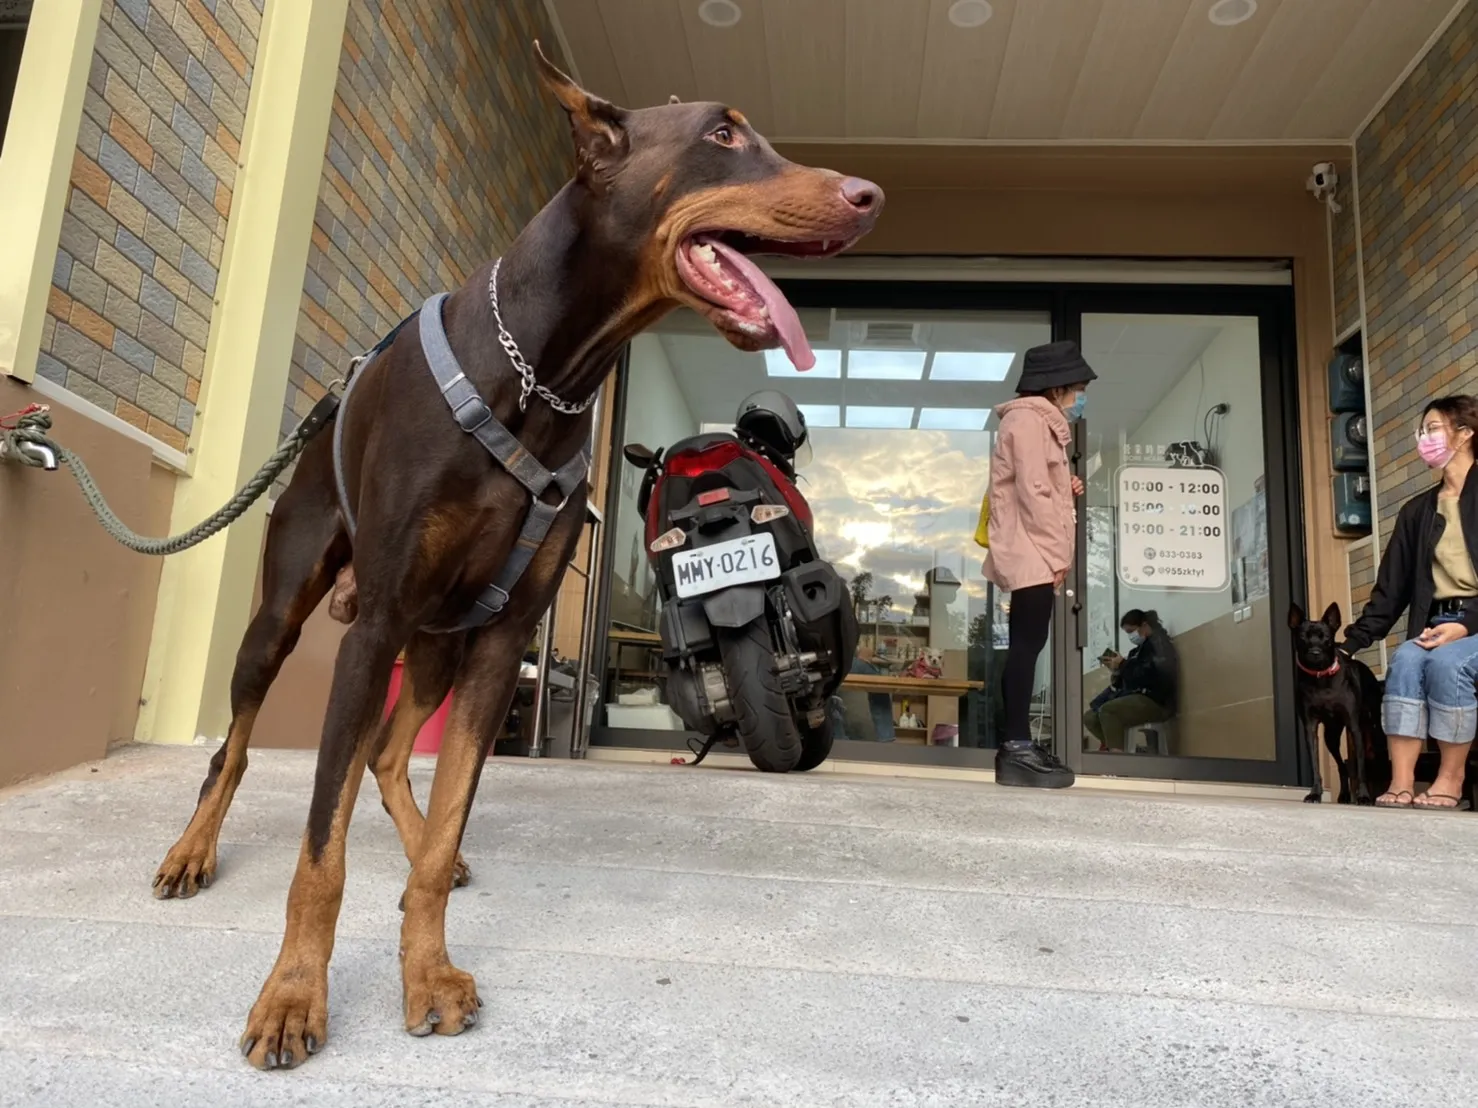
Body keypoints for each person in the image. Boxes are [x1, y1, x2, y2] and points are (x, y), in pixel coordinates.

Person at [1341, 394, 1478, 809]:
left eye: (1432, 429)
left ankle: (1451, 780)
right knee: (1404, 662)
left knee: (1447, 664)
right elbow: (1391, 590)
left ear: (1466, 433)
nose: (1423, 440)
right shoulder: (1417, 511)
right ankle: (1402, 782)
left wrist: (1467, 624)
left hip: (1470, 628)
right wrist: (1350, 643)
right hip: (1437, 624)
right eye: (1422, 432)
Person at [983, 339, 1095, 788]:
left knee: (1028, 645)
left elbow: (1034, 482)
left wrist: (1064, 484)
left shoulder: (1036, 424)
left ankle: (1019, 745)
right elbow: (1032, 492)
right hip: (1032, 550)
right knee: (1026, 647)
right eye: (1079, 388)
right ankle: (1015, 748)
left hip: (1031, 547)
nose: (1081, 397)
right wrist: (1058, 554)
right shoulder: (1029, 421)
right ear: (1058, 387)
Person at [1084, 610, 1179, 752]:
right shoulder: (1135, 652)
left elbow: (1150, 677)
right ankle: (1122, 749)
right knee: (1090, 716)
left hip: (1157, 701)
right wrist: (1116, 670)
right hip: (1137, 697)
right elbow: (1128, 681)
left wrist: (1123, 664)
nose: (1130, 636)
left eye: (1131, 631)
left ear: (1144, 626)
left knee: (1109, 711)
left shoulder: (1159, 646)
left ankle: (1118, 759)